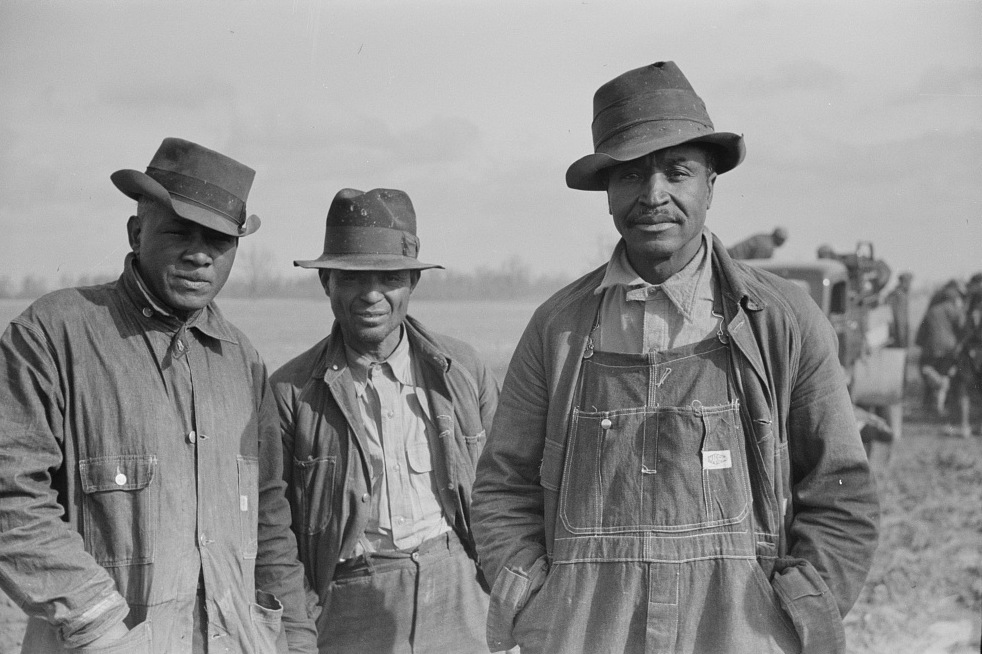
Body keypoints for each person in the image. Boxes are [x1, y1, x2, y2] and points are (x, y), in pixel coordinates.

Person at [471, 61, 879, 654]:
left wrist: (796, 613)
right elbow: (503, 488)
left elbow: (842, 492)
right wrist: (536, 603)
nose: (653, 195)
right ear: (608, 192)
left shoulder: (782, 322)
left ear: (710, 184)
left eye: (677, 172)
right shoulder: (558, 330)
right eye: (632, 175)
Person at [0, 138, 317, 653]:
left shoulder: (241, 360)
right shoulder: (54, 334)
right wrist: (98, 623)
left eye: (218, 241)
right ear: (136, 231)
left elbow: (268, 515)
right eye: (178, 233)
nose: (199, 255)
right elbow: (10, 495)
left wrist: (296, 643)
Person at [270, 188, 500, 653]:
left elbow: (507, 487)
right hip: (349, 603)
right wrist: (298, 626)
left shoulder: (462, 369)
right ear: (326, 282)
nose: (371, 294)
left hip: (461, 591)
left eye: (390, 276)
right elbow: (274, 532)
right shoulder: (290, 391)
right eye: (352, 277)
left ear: (412, 282)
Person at [915, 279, 965, 418]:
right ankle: (941, 406)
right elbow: (962, 327)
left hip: (931, 348)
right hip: (949, 348)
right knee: (945, 376)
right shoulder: (954, 310)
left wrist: (920, 344)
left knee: (927, 370)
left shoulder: (932, 310)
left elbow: (922, 332)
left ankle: (932, 406)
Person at [885, 272, 913, 347]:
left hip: (903, 320)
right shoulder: (897, 293)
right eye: (907, 282)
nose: (909, 285)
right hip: (898, 321)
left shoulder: (904, 293)